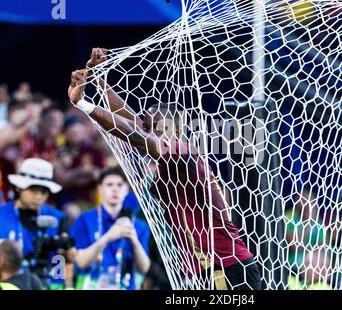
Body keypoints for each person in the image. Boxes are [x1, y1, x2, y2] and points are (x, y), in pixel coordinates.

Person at [67, 48, 261, 290]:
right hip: (203, 269)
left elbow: (133, 133)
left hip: (228, 269)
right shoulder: (166, 157)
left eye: (151, 126)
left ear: (174, 129)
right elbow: (132, 125)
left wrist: (84, 104)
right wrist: (98, 79)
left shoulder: (183, 152)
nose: (144, 128)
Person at [70, 166, 151, 290]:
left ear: (127, 189)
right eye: (109, 185)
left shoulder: (139, 226)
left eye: (119, 185)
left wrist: (134, 241)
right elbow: (81, 262)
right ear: (100, 189)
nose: (115, 189)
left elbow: (144, 268)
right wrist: (107, 237)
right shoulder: (84, 220)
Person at [0, 158, 74, 289]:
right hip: (10, 285)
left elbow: (67, 260)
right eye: (33, 190)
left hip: (50, 284)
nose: (39, 196)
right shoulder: (2, 214)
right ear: (19, 188)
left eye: (44, 191)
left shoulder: (58, 218)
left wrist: (65, 251)